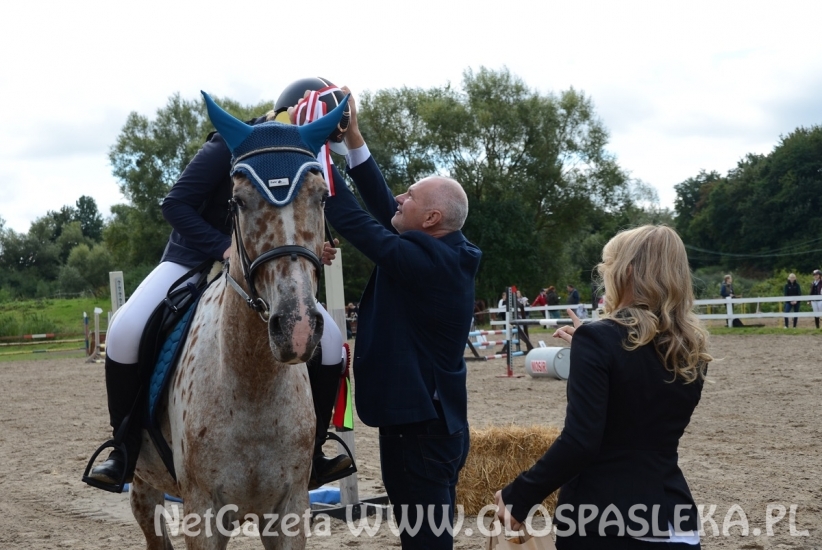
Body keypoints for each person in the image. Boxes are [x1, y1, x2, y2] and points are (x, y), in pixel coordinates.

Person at [85, 92, 353, 491]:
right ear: (293, 110)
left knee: (330, 344)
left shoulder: (298, 158)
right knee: (124, 331)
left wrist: (309, 246)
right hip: (194, 258)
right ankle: (122, 448)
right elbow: (175, 205)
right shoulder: (228, 145)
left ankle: (314, 451)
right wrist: (224, 247)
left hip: (259, 267)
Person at [311, 87, 482, 549]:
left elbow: (353, 219)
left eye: (409, 196)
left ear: (429, 218)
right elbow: (385, 207)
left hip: (420, 434)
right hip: (426, 423)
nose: (398, 199)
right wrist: (353, 142)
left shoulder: (426, 259)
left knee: (426, 543)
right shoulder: (445, 248)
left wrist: (312, 152)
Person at [495, 225, 711, 549]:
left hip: (606, 520)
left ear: (624, 273)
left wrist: (520, 495)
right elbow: (640, 390)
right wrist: (590, 347)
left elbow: (582, 441)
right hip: (674, 518)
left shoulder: (599, 341)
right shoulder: (689, 348)